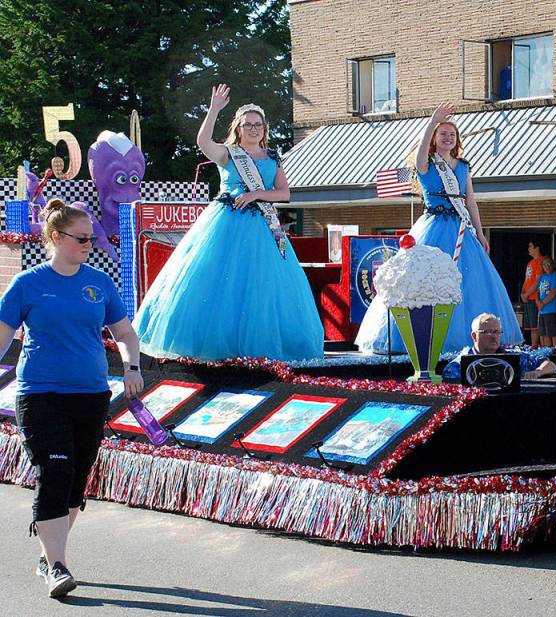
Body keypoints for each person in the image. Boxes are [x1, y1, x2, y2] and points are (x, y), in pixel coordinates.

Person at [0, 199, 145, 598]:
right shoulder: (27, 284)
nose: (89, 244)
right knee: (56, 470)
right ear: (55, 237)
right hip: (40, 394)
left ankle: (50, 555)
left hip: (91, 395)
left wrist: (132, 367)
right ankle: (58, 565)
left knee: (77, 478)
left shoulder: (99, 282)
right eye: (82, 238)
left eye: (92, 238)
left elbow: (126, 335)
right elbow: (2, 337)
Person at [133, 84, 324, 362]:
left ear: (264, 128)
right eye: (248, 125)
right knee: (219, 282)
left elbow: (284, 193)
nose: (253, 129)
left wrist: (257, 194)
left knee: (263, 286)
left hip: (262, 228)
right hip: (226, 225)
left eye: (258, 124)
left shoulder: (273, 157)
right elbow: (202, 142)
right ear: (238, 128)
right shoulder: (227, 153)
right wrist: (213, 109)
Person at [356, 102, 523, 354]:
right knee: (423, 281)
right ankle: (417, 339)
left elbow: (471, 202)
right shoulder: (426, 164)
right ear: (434, 138)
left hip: (460, 228)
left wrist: (479, 232)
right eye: (442, 134)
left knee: (469, 283)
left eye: (452, 135)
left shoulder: (463, 166)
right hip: (432, 227)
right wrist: (432, 121)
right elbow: (421, 151)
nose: (448, 138)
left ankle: (471, 339)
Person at [442, 313, 556, 381]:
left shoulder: (512, 357)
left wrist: (538, 371)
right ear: (474, 336)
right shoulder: (458, 365)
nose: (494, 336)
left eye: (497, 332)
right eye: (488, 332)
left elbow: (550, 365)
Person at [520, 240, 545, 346]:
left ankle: (537, 346)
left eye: (530, 246)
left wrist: (527, 294)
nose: (528, 249)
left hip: (535, 297)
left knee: (536, 326)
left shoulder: (541, 261)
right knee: (530, 327)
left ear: (537, 248)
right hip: (527, 298)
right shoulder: (530, 263)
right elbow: (527, 280)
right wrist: (522, 293)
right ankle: (533, 346)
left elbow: (537, 281)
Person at [536, 258, 556, 347]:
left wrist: (542, 303)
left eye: (549, 264)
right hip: (542, 310)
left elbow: (553, 292)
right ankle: (548, 353)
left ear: (552, 265)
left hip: (552, 309)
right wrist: (538, 301)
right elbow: (538, 291)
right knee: (545, 334)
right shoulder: (542, 277)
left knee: (554, 334)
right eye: (544, 265)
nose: (547, 267)